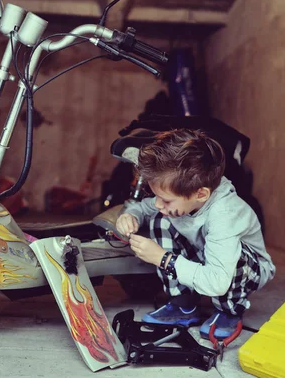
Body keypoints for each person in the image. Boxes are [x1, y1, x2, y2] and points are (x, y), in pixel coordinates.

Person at [115, 128, 275, 339]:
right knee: (161, 218)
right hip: (206, 254)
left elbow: (218, 281)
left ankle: (229, 311)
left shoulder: (225, 213)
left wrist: (163, 259)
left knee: (234, 261)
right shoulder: (182, 193)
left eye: (166, 200)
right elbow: (145, 207)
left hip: (239, 270)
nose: (158, 203)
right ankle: (184, 305)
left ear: (201, 194)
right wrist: (129, 216)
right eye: (157, 196)